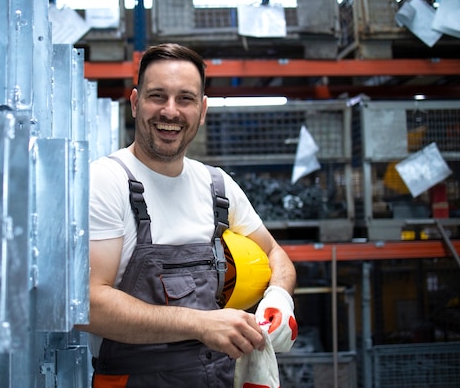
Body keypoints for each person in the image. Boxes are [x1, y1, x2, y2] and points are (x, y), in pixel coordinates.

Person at [77, 43, 297, 388]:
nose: (170, 111)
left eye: (185, 99)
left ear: (203, 109)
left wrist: (279, 299)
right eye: (157, 96)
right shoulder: (108, 181)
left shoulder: (217, 187)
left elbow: (275, 254)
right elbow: (88, 304)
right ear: (135, 103)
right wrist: (200, 324)